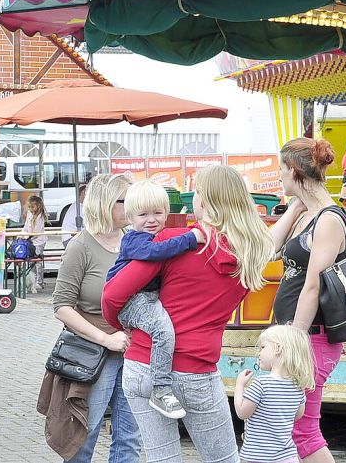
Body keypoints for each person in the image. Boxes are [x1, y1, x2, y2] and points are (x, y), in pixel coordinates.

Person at [102, 165, 275, 463]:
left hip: (143, 363)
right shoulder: (252, 253)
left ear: (205, 202)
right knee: (223, 459)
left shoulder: (176, 242)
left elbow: (112, 295)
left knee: (163, 458)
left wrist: (123, 324)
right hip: (197, 369)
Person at [268, 137, 346, 463]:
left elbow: (313, 287)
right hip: (296, 336)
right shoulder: (308, 214)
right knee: (290, 430)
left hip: (309, 339)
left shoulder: (328, 219)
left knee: (302, 432)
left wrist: (294, 341)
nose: (278, 177)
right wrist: (294, 207)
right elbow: (267, 249)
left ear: (293, 170)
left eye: (280, 170)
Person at [52, 173, 141, 463]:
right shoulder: (81, 246)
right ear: (105, 203)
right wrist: (105, 338)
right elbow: (62, 306)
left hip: (135, 350)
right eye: (126, 201)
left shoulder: (135, 241)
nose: (133, 207)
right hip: (93, 353)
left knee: (130, 438)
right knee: (84, 435)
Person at [105, 180, 204, 420]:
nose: (151, 220)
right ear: (130, 217)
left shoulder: (159, 234)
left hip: (147, 296)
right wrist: (191, 238)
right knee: (163, 330)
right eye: (143, 214)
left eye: (158, 213)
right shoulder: (134, 240)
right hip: (133, 299)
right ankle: (160, 388)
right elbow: (154, 253)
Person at [235, 325, 315, 463]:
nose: (258, 353)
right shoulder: (298, 387)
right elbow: (298, 415)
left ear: (278, 349)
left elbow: (242, 412)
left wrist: (239, 386)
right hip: (288, 456)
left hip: (260, 457)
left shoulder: (261, 383)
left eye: (263, 347)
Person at [23, 195, 48, 293]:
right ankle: (31, 282)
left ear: (38, 206)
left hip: (39, 241)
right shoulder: (29, 213)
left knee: (37, 262)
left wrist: (27, 236)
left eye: (32, 207)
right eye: (29, 207)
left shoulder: (40, 216)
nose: (30, 209)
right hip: (30, 240)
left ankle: (39, 281)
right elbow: (26, 226)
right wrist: (22, 234)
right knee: (30, 262)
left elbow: (37, 232)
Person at [62, 182, 87, 247]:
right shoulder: (80, 208)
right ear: (82, 195)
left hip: (68, 239)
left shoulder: (76, 205)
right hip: (70, 240)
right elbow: (87, 225)